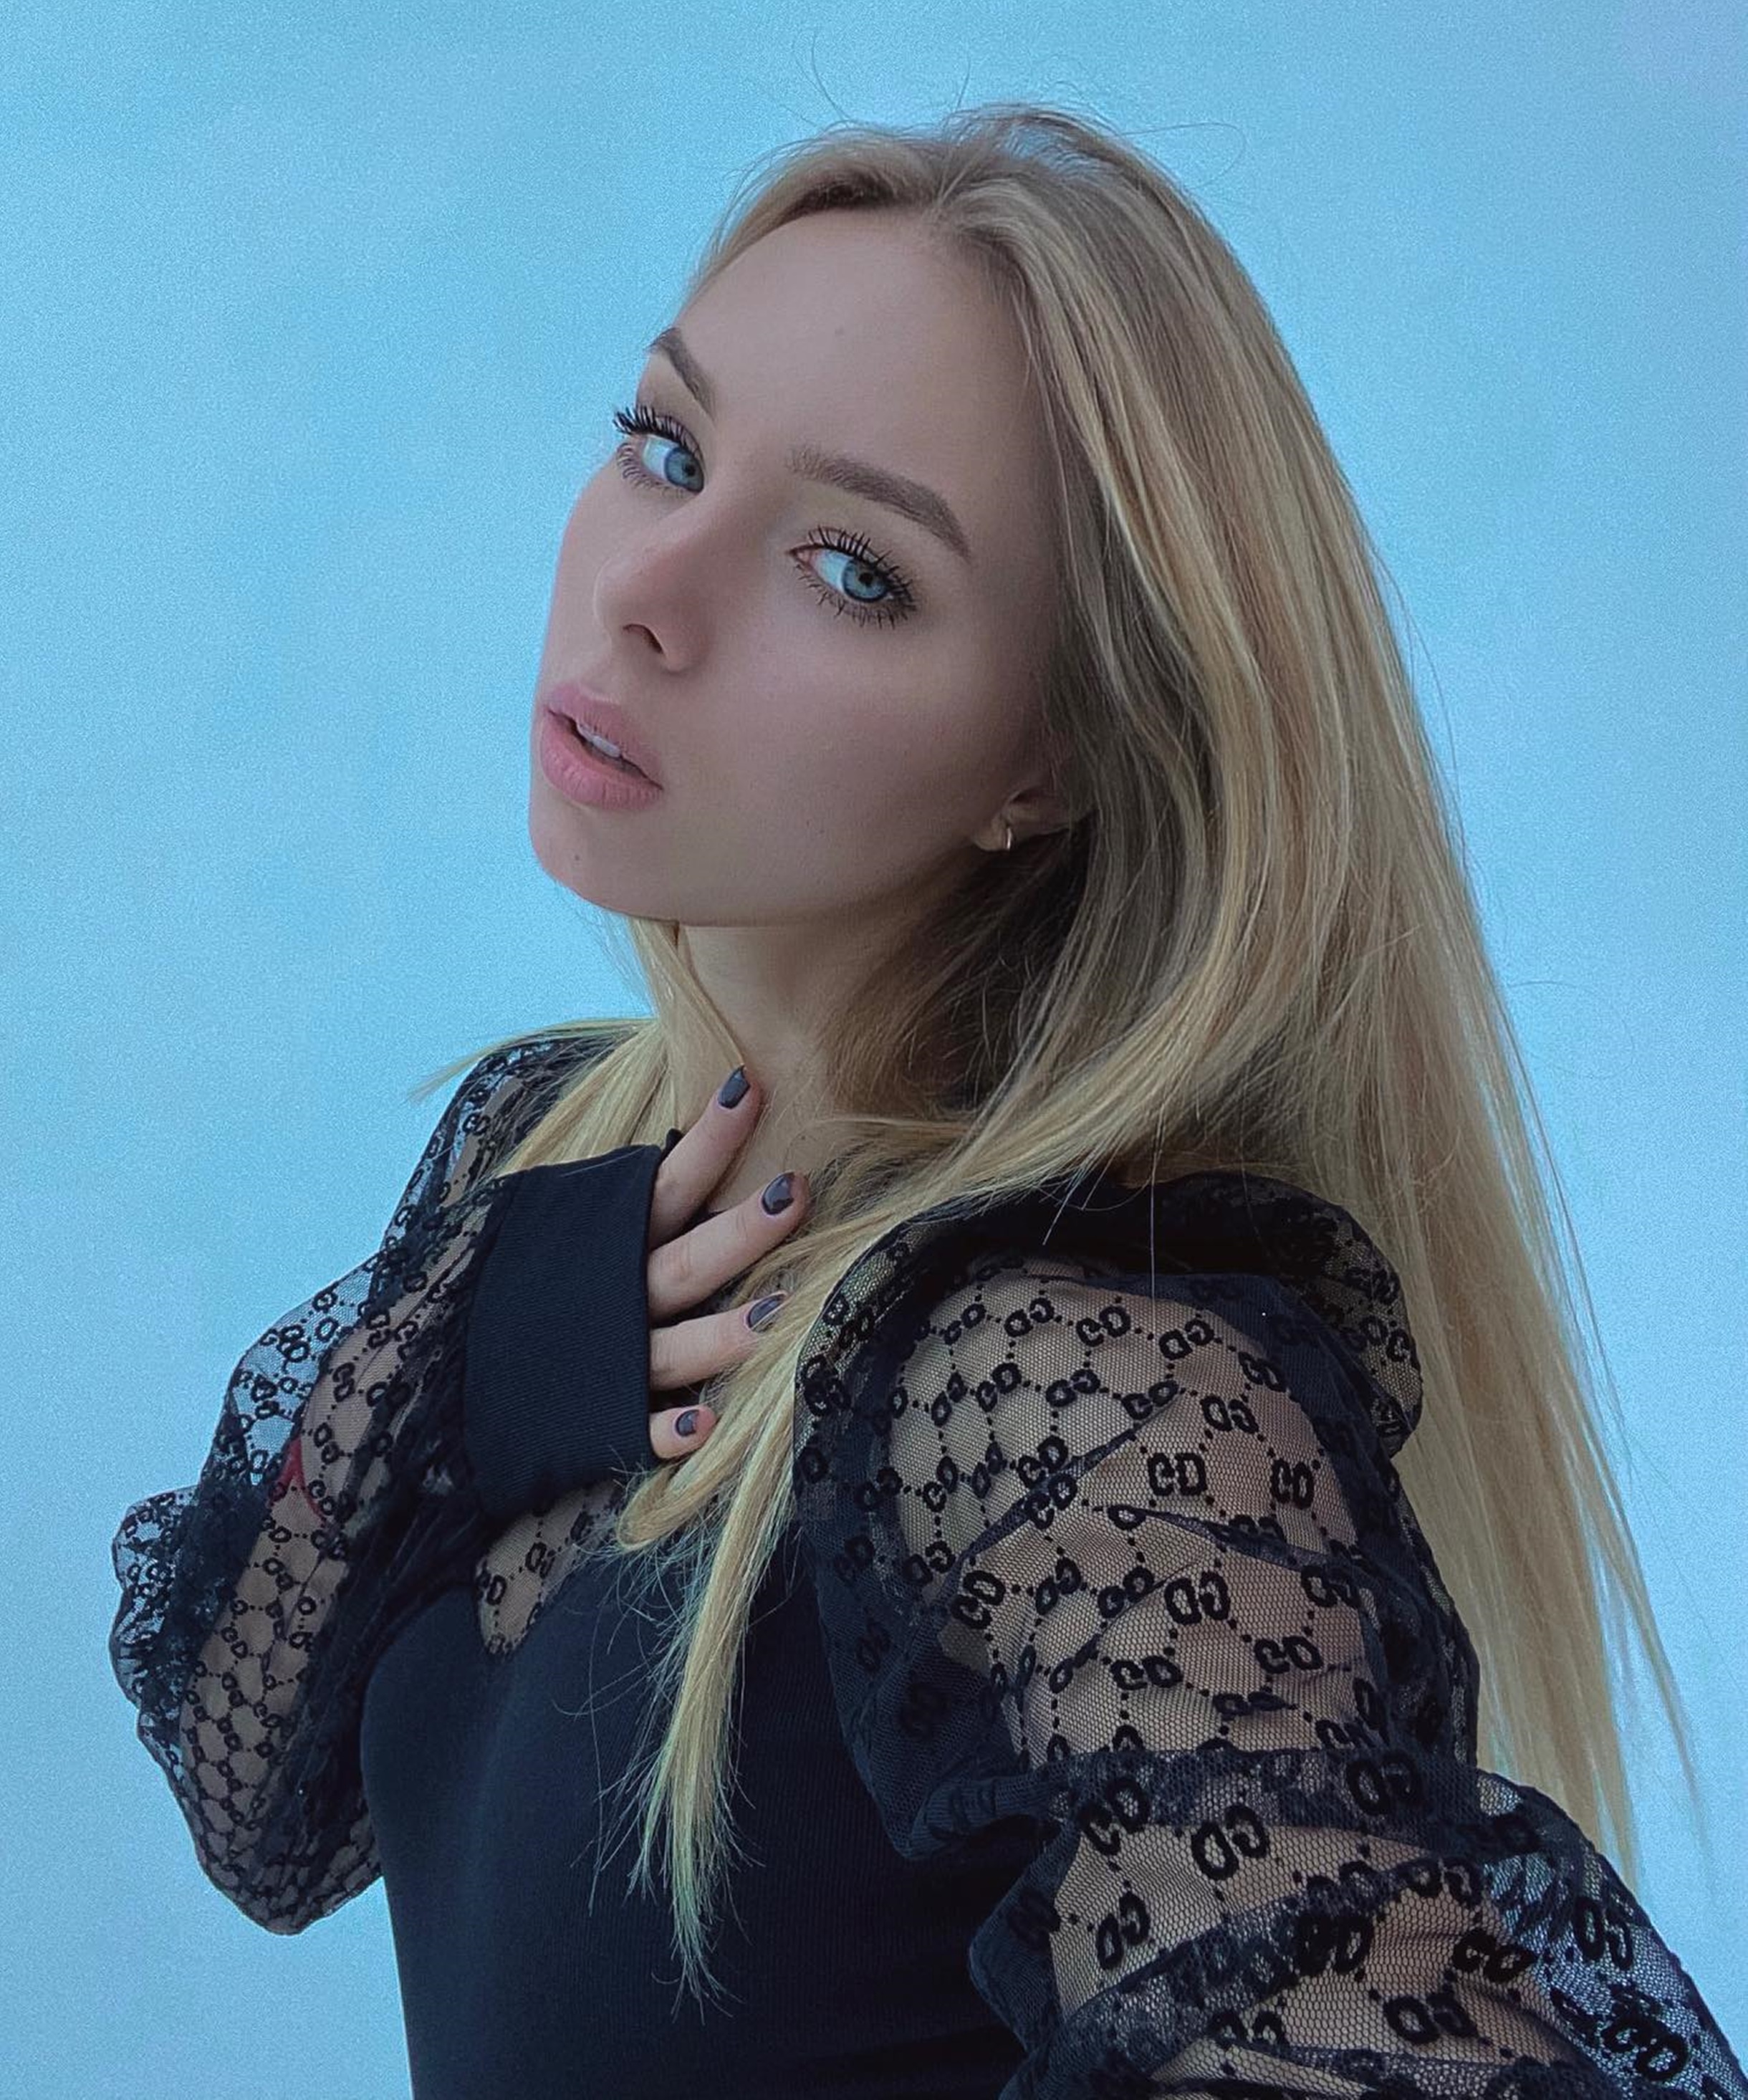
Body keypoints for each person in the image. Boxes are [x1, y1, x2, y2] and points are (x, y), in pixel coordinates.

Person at [110, 102, 1746, 2097]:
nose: (650, 589)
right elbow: (265, 1815)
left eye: (852, 569)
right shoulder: (548, 1162)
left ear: (1048, 764)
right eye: (665, 447)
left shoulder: (1068, 1383)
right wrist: (476, 1357)